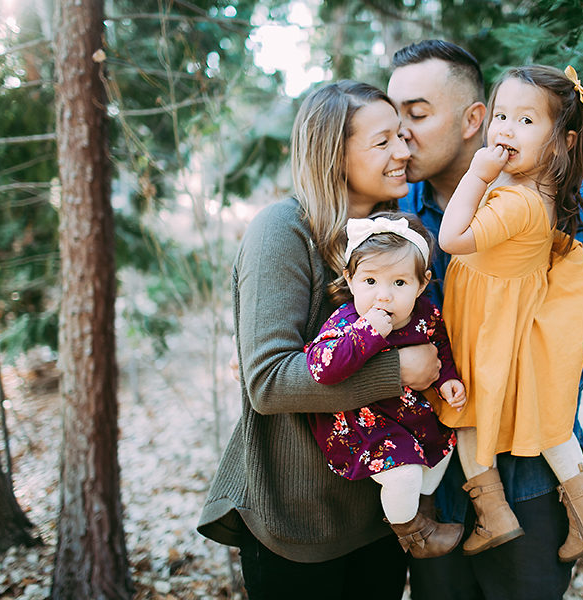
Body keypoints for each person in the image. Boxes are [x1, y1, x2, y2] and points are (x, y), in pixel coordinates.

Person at [387, 40, 583, 599]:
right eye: (393, 113)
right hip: (435, 481)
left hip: (528, 474)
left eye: (416, 114)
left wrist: (505, 377)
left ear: (474, 119)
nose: (401, 131)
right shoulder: (401, 208)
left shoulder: (557, 196)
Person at [197, 80, 444, 600]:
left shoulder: (396, 235)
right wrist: (399, 371)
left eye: (401, 136)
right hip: (298, 522)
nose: (403, 151)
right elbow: (268, 382)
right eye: (383, 141)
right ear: (334, 153)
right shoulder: (282, 231)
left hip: (379, 514)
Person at [437, 64, 583, 560]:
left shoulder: (516, 201)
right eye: (500, 116)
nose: (505, 129)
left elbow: (451, 238)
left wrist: (477, 174)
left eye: (525, 121)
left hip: (484, 327)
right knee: (548, 417)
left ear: (562, 142)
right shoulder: (542, 193)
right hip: (501, 318)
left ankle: (494, 514)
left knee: (464, 415)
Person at [305, 212, 467, 559]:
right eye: (370, 281)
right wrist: (368, 333)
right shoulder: (347, 321)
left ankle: (418, 505)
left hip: (407, 414)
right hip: (363, 424)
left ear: (421, 284)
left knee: (444, 446)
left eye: (399, 283)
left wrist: (447, 378)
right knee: (403, 474)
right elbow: (322, 368)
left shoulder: (425, 313)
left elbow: (439, 344)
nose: (383, 296)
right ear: (350, 279)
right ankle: (414, 534)